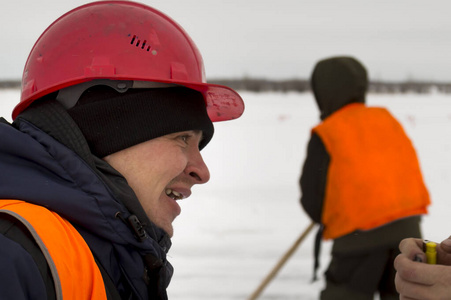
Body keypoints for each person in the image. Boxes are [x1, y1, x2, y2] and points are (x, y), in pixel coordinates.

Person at [0, 1, 244, 299]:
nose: (201, 171)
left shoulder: (111, 255)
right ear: (104, 132)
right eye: (182, 138)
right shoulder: (12, 254)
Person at [299, 56, 430, 299]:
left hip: (357, 240)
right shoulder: (386, 119)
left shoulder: (328, 132)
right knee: (404, 294)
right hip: (407, 234)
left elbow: (312, 196)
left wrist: (323, 216)